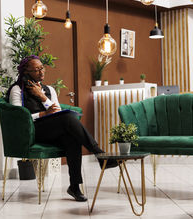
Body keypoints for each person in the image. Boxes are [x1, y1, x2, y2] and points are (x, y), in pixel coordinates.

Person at [7, 55, 117, 202]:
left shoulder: (49, 90)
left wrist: (42, 97)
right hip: (32, 131)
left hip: (50, 130)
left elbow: (57, 113)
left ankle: (75, 187)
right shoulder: (17, 90)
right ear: (26, 73)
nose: (42, 72)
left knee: (72, 138)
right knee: (66, 119)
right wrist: (43, 114)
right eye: (37, 70)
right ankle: (98, 152)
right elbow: (17, 118)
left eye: (42, 68)